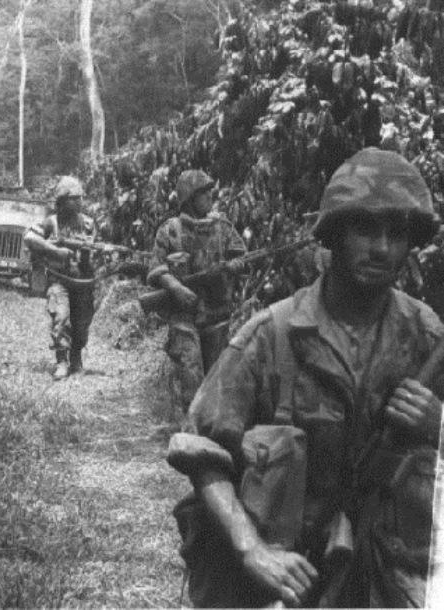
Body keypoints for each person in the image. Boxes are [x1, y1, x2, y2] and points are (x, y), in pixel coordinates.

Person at [175, 148, 443, 607]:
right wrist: (253, 551)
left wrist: (438, 424)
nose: (382, 248)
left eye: (396, 234)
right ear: (334, 234)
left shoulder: (426, 338)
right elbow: (201, 452)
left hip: (384, 572)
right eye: (365, 228)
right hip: (284, 570)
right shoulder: (272, 335)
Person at [148, 169, 245, 413]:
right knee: (192, 375)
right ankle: (191, 432)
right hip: (184, 317)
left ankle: (212, 432)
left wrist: (236, 265)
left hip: (216, 314)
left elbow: (241, 255)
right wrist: (175, 287)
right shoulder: (171, 230)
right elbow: (156, 270)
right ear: (189, 198)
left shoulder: (222, 227)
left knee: (217, 380)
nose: (210, 198)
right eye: (204, 194)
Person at [23, 176, 96, 380]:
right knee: (61, 318)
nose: (80, 202)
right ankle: (62, 360)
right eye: (74, 198)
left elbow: (93, 257)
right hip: (58, 279)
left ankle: (76, 357)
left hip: (82, 281)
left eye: (80, 197)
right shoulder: (51, 222)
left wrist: (89, 253)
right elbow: (29, 238)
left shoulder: (88, 224)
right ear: (62, 201)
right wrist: (55, 251)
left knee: (81, 323)